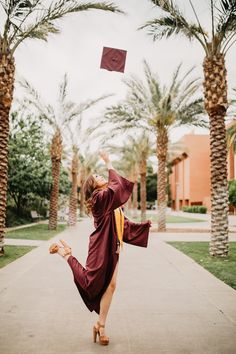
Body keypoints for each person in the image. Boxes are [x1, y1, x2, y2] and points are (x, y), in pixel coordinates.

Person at [51, 151, 151, 346]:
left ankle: (101, 325)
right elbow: (117, 187)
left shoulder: (111, 203)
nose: (101, 176)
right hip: (99, 248)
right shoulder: (98, 198)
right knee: (91, 283)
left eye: (100, 174)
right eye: (96, 177)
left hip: (113, 247)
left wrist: (144, 226)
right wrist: (109, 162)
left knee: (111, 286)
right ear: (93, 186)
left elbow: (122, 226)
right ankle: (67, 255)